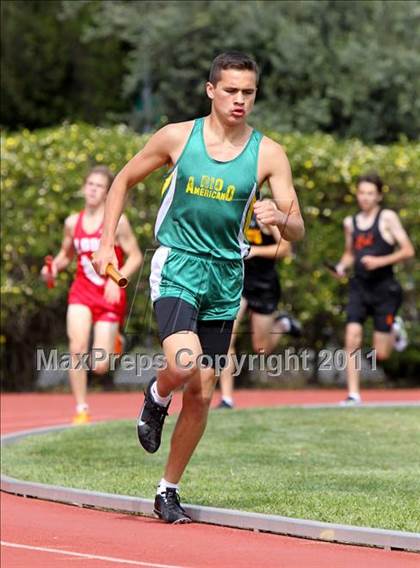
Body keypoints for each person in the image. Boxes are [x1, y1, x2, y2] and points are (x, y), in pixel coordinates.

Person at [92, 52, 305, 524]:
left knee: (204, 393)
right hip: (178, 262)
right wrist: (106, 241)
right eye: (230, 90)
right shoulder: (177, 137)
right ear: (211, 90)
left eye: (248, 92)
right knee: (183, 362)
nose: (239, 100)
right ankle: (155, 394)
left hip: (227, 275)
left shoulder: (268, 153)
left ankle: (167, 490)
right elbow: (123, 179)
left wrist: (281, 217)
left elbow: (298, 229)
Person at [42, 165, 143, 424]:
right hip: (82, 292)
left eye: (100, 186)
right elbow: (66, 255)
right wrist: (52, 268)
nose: (93, 190)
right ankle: (81, 408)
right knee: (76, 347)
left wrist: (118, 281)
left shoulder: (118, 222)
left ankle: (115, 342)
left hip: (109, 295)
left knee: (99, 365)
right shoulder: (72, 223)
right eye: (90, 184)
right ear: (83, 187)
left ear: (108, 193)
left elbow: (136, 256)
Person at [335, 173, 414, 405]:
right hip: (359, 286)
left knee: (382, 353)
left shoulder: (387, 218)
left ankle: (395, 329)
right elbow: (350, 253)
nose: (366, 198)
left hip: (385, 289)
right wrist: (341, 266)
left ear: (378, 196)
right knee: (351, 338)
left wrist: (380, 261)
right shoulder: (350, 223)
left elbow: (408, 250)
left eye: (371, 193)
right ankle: (353, 395)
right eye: (362, 193)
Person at [217, 204, 301, 409]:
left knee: (261, 348)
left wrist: (255, 251)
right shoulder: (231, 204)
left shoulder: (263, 209)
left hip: (264, 284)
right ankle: (227, 398)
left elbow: (285, 249)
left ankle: (282, 325)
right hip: (237, 281)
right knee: (227, 338)